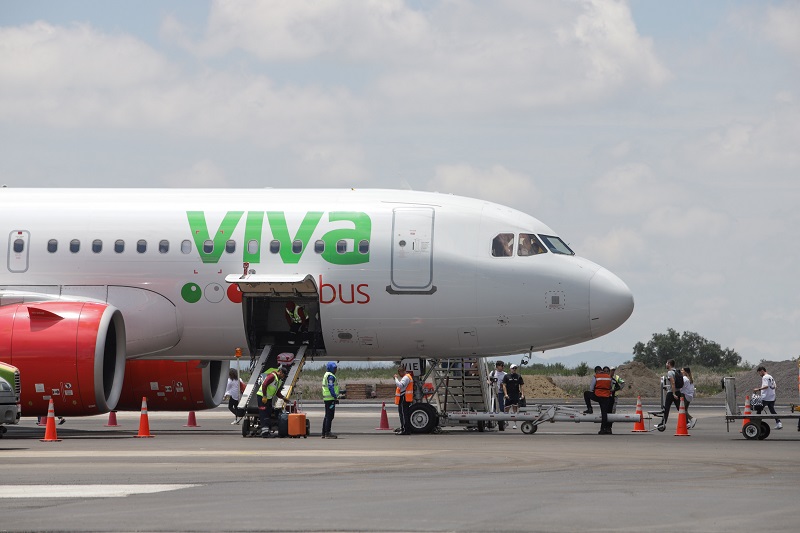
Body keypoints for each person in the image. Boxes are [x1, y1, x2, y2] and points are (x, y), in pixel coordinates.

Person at [257, 365, 290, 438]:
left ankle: (266, 431)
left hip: (268, 398)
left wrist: (284, 398)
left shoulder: (278, 381)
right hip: (262, 397)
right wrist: (264, 396)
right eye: (283, 375)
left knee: (268, 413)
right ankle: (265, 433)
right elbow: (264, 385)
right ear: (280, 372)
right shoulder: (272, 376)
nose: (283, 377)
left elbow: (277, 392)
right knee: (264, 414)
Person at [583, 366, 613, 434]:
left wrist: (595, 391)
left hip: (598, 395)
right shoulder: (609, 377)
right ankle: (603, 429)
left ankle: (589, 408)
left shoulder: (596, 376)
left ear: (596, 371)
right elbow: (610, 387)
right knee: (604, 413)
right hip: (606, 397)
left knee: (586, 394)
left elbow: (591, 388)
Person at [656, 359, 682, 431]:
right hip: (678, 392)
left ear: (669, 364)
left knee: (666, 409)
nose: (666, 364)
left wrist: (673, 393)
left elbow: (672, 383)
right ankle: (687, 422)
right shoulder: (676, 371)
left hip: (671, 393)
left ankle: (662, 423)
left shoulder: (670, 372)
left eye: (667, 363)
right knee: (680, 408)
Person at [753, 365, 781, 429]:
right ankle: (778, 422)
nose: (759, 374)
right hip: (772, 397)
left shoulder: (765, 377)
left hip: (765, 397)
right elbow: (775, 386)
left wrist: (758, 389)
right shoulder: (771, 377)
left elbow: (766, 386)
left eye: (759, 373)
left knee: (758, 409)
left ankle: (757, 424)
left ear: (762, 371)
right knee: (772, 410)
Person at [502, 364, 525, 429]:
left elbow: (522, 385)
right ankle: (506, 422)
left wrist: (522, 394)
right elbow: (504, 385)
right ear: (510, 369)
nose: (514, 369)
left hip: (516, 395)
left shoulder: (518, 376)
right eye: (513, 368)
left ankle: (515, 423)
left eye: (515, 368)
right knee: (506, 409)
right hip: (509, 395)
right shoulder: (506, 376)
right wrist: (506, 394)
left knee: (515, 408)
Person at [321, 361, 340, 439]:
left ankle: (324, 432)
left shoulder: (327, 375)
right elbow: (331, 387)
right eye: (334, 368)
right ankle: (327, 433)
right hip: (330, 399)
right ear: (331, 368)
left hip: (327, 398)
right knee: (330, 416)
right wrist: (335, 396)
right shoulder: (331, 376)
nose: (336, 370)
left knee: (327, 416)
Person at [394, 366, 414, 435]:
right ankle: (404, 428)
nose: (399, 375)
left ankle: (405, 429)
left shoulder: (406, 377)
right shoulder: (407, 377)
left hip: (404, 397)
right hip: (405, 397)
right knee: (403, 413)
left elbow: (400, 385)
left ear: (401, 371)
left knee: (403, 414)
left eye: (399, 373)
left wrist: (395, 378)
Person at [488, 361, 507, 430]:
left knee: (501, 407)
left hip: (500, 393)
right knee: (493, 407)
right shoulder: (493, 373)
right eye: (501, 366)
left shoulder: (505, 374)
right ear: (497, 366)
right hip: (493, 392)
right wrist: (490, 382)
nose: (503, 367)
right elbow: (488, 380)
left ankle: (502, 422)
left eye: (503, 366)